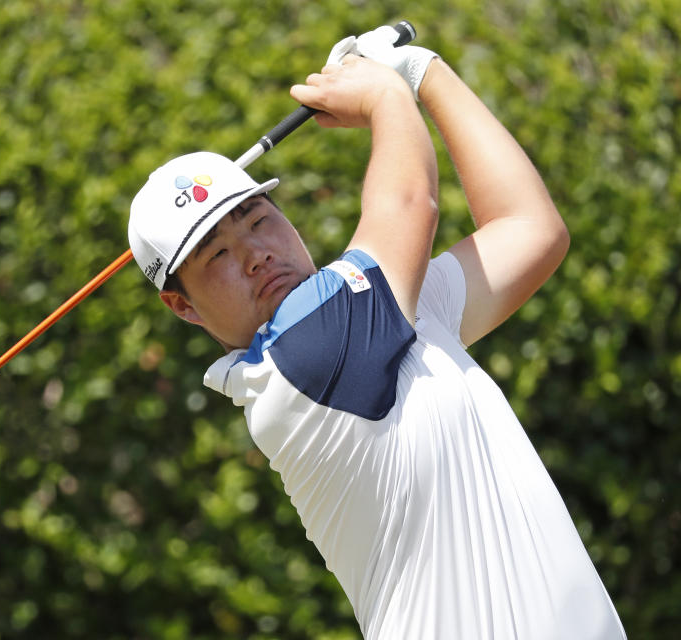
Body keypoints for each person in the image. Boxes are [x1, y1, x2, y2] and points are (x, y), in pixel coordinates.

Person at [128, 27, 626, 639]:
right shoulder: (298, 362)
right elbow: (411, 204)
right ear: (184, 307)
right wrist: (386, 96)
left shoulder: (391, 314)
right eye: (217, 255)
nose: (255, 253)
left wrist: (424, 73)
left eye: (257, 219)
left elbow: (530, 228)